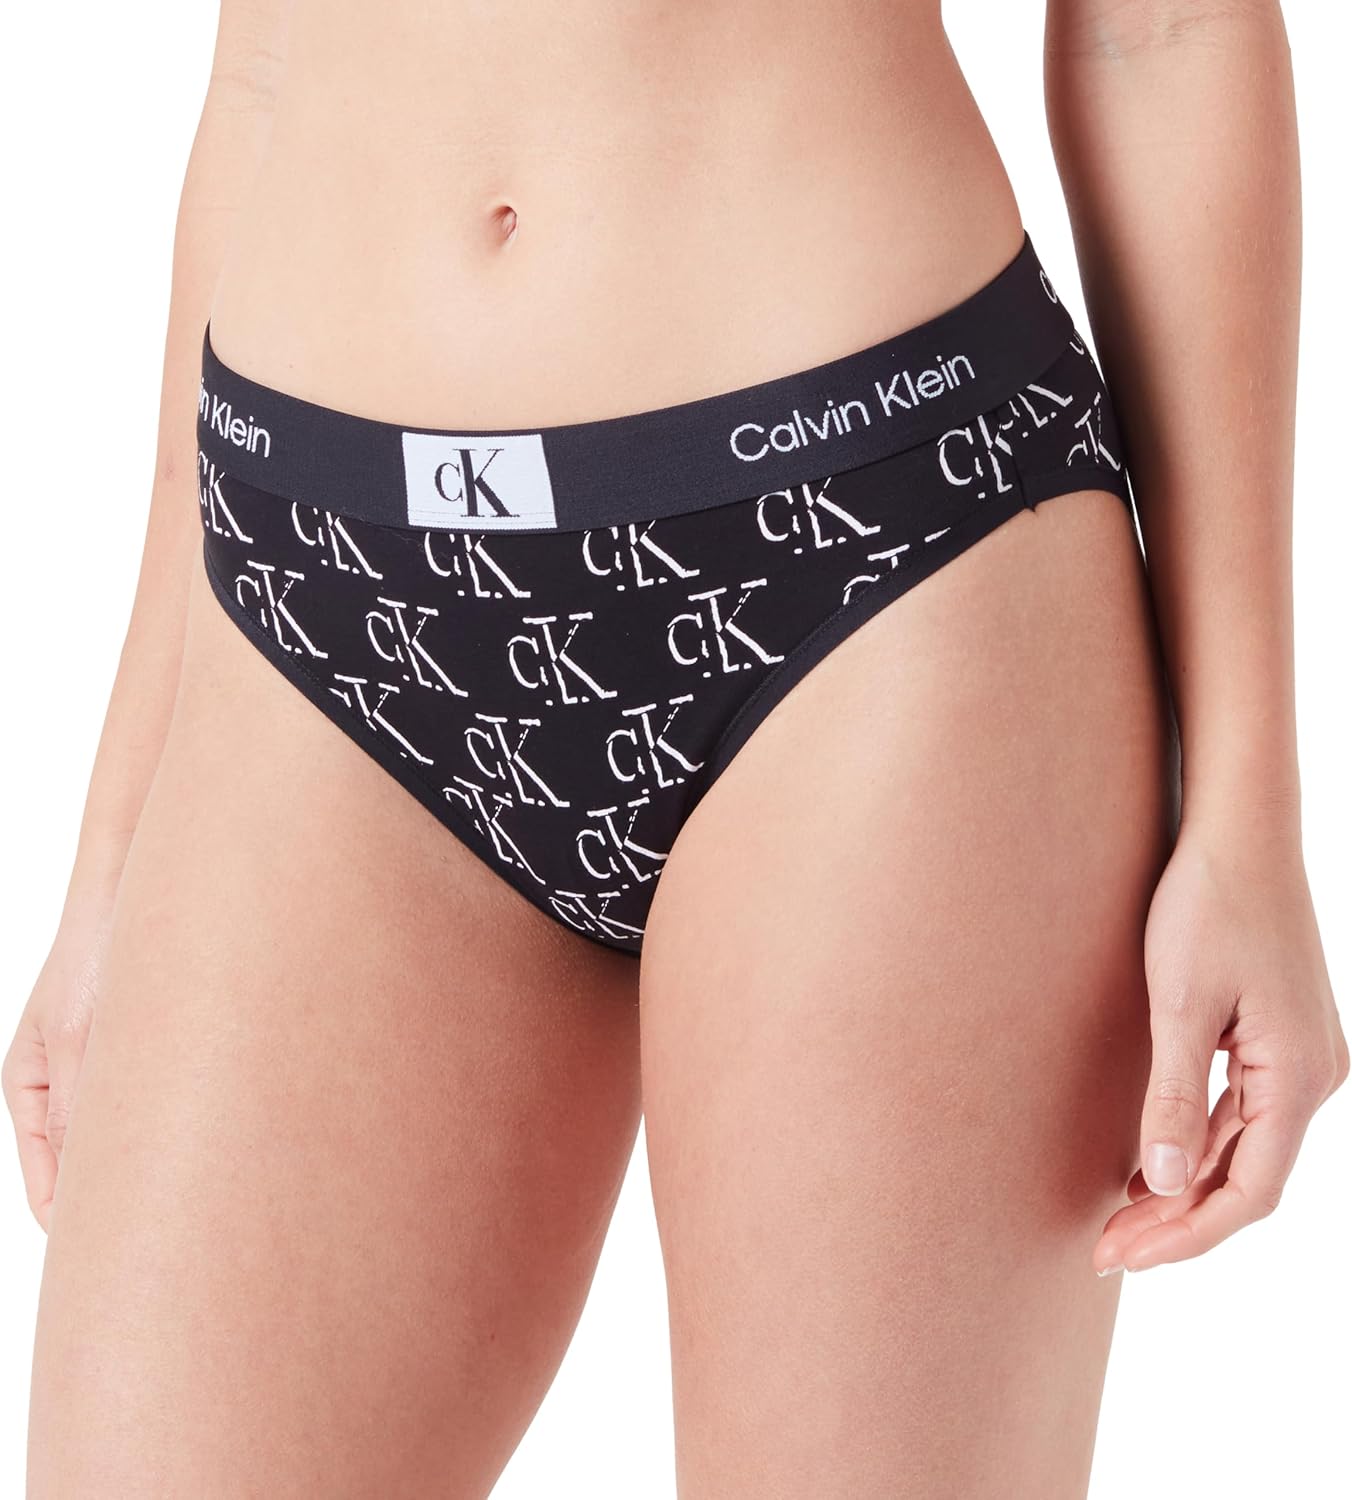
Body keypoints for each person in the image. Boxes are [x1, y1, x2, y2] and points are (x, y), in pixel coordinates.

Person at [5, 1, 1346, 1494]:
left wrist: (1248, 808)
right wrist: (117, 836)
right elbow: (259, 67)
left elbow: (1159, 33)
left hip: (868, 549)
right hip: (316, 578)